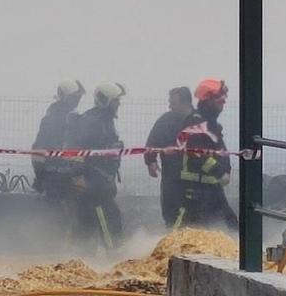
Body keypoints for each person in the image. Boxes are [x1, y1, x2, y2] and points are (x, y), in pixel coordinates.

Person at [166, 79, 236, 232]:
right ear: (207, 100)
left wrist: (227, 170)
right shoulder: (194, 124)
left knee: (233, 227)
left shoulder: (212, 126)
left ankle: (242, 254)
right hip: (193, 192)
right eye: (219, 99)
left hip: (212, 190)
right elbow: (197, 155)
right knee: (181, 234)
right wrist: (220, 172)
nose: (222, 103)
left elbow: (222, 152)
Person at [66, 82, 128, 250]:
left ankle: (80, 257)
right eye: (116, 100)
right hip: (92, 182)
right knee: (108, 219)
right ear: (106, 100)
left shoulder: (105, 121)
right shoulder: (93, 121)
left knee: (89, 223)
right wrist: (78, 176)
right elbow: (77, 149)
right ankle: (114, 255)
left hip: (101, 182)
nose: (119, 104)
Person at [143, 86, 198, 224]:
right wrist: (150, 161)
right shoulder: (165, 120)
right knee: (171, 215)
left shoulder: (201, 121)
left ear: (185, 103)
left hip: (196, 182)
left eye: (173, 103)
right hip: (171, 179)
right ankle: (172, 241)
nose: (170, 106)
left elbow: (217, 147)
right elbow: (152, 142)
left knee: (194, 218)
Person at [32, 80, 86, 195]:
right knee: (59, 210)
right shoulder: (55, 119)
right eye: (75, 97)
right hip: (58, 177)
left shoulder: (71, 117)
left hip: (66, 176)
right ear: (66, 97)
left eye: (79, 97)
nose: (77, 100)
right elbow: (40, 149)